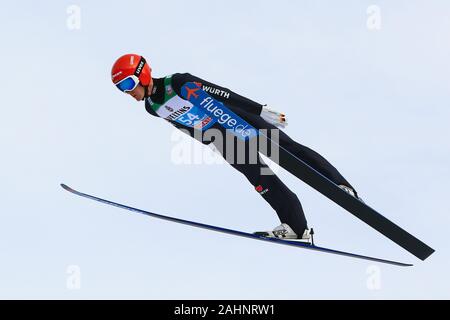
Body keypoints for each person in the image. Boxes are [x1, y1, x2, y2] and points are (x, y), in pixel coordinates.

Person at [111, 53, 361, 243]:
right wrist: (208, 141)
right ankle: (296, 227)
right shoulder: (151, 107)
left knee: (286, 150)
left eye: (128, 84)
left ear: (142, 74)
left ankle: (340, 185)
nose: (128, 93)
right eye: (122, 89)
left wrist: (259, 110)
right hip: (220, 137)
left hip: (236, 119)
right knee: (260, 178)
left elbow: (222, 94)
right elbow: (182, 125)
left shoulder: (177, 83)